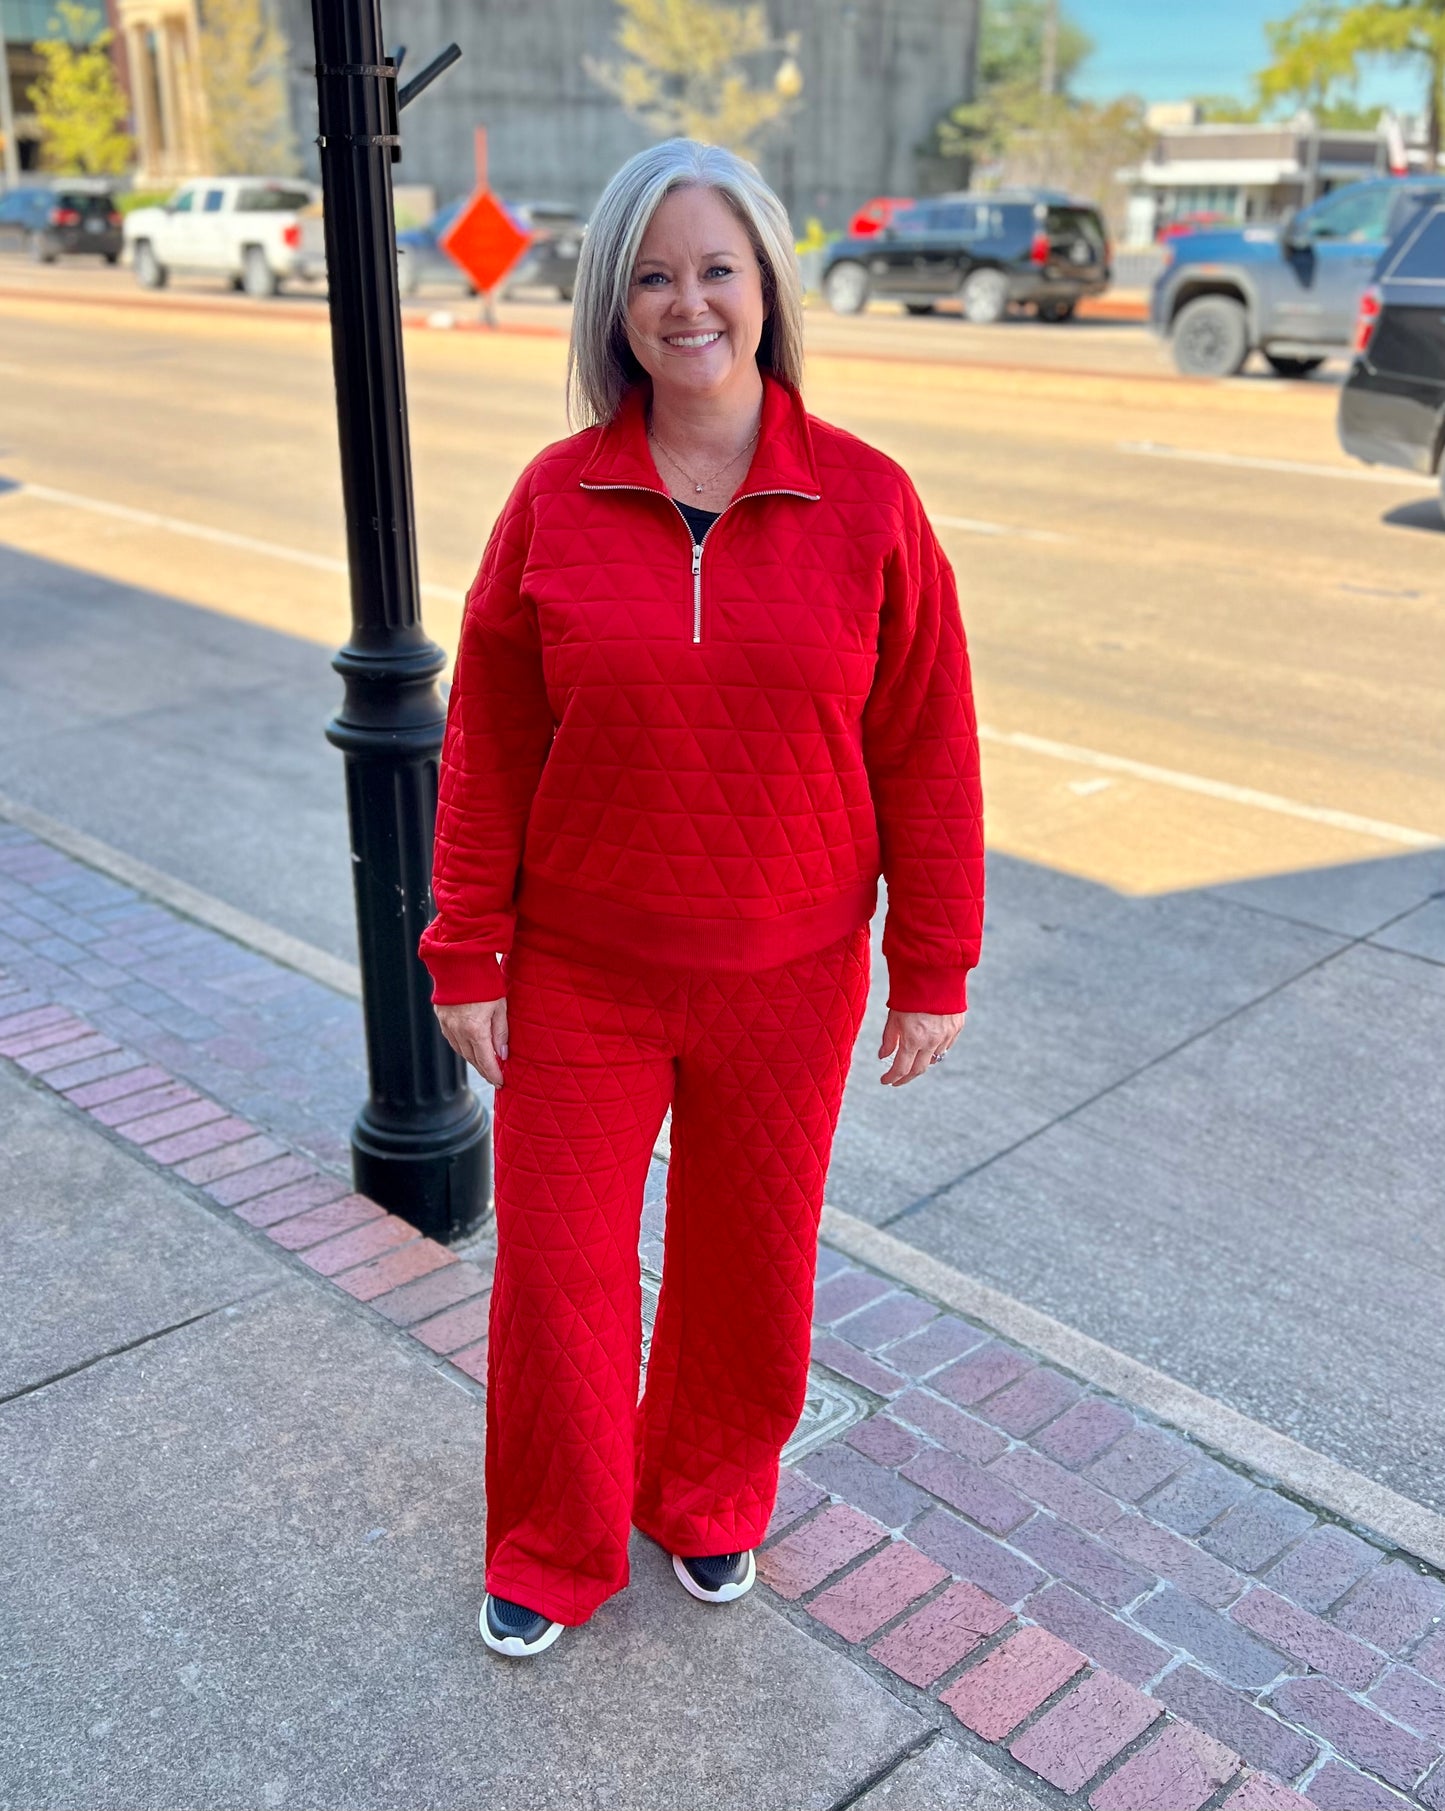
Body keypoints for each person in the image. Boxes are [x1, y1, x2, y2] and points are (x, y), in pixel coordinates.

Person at [419, 138, 984, 1659]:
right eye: (653, 276)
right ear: (612, 305)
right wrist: (462, 942)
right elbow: (488, 741)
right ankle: (549, 1543)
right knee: (560, 1280)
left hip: (788, 976)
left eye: (714, 270)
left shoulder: (867, 501)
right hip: (582, 972)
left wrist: (932, 962)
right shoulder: (553, 498)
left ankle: (711, 1496)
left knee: (750, 1266)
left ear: (766, 289)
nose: (688, 304)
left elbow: (926, 740)